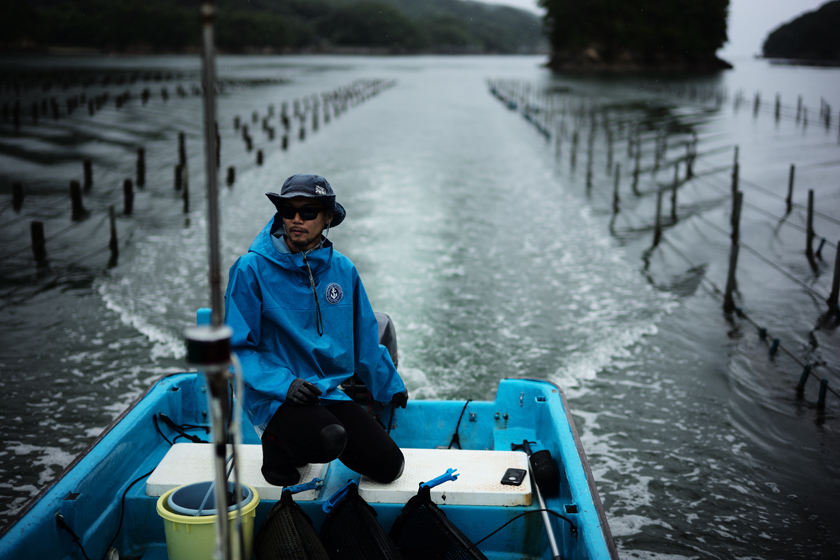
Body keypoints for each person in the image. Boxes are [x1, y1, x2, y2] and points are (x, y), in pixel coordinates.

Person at [224, 173, 408, 487]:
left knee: (390, 467)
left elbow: (364, 338)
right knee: (327, 439)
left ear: (326, 219)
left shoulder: (343, 269)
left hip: (324, 390)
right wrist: (284, 385)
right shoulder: (250, 269)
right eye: (288, 210)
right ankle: (276, 443)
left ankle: (302, 436)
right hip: (273, 393)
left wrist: (389, 385)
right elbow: (235, 349)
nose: (297, 219)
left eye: (308, 212)